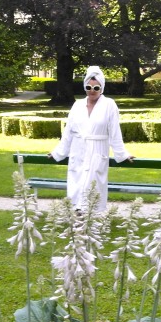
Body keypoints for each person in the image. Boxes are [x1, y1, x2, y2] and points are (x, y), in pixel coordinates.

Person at [48, 66, 134, 212]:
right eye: (88, 87)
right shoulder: (77, 105)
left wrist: (122, 154)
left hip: (97, 152)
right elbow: (68, 132)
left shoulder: (109, 105)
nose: (92, 90)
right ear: (84, 87)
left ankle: (92, 223)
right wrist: (58, 152)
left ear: (102, 87)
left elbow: (114, 132)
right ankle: (77, 223)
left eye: (96, 87)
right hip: (78, 150)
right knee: (77, 187)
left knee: (93, 188)